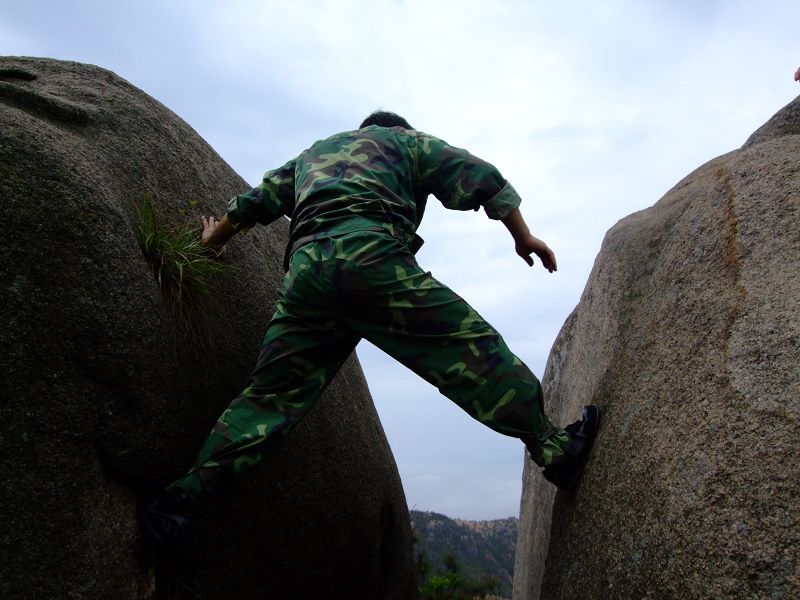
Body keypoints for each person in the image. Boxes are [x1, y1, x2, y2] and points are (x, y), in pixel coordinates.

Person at [139, 111, 600, 546]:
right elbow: (480, 175)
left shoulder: (312, 155)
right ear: (397, 129)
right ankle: (555, 450)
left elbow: (254, 203)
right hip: (373, 259)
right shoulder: (404, 141)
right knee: (470, 348)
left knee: (268, 399)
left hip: (306, 278)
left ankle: (179, 504)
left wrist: (213, 242)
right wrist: (523, 236)